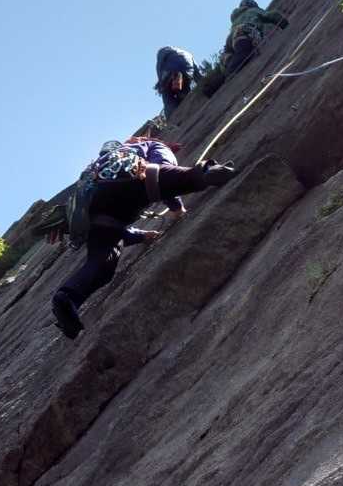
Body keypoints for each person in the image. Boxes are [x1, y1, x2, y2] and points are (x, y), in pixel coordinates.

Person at [51, 137, 236, 339]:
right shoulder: (151, 144)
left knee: (101, 265)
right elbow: (163, 170)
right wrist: (177, 208)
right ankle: (213, 172)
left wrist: (142, 236)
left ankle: (67, 298)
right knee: (190, 177)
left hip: (101, 213)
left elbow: (119, 229)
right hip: (134, 179)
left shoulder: (93, 170)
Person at [223, 0, 288, 76]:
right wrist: (284, 23)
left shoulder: (235, 20)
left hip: (231, 39)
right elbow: (271, 15)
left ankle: (229, 62)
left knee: (233, 52)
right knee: (244, 52)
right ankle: (231, 69)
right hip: (245, 31)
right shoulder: (253, 10)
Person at [155, 46, 201, 119]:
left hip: (169, 74)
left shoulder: (161, 58)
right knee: (184, 91)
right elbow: (199, 76)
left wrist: (162, 86)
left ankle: (173, 119)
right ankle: (187, 100)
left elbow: (161, 80)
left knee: (167, 97)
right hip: (185, 70)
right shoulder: (187, 54)